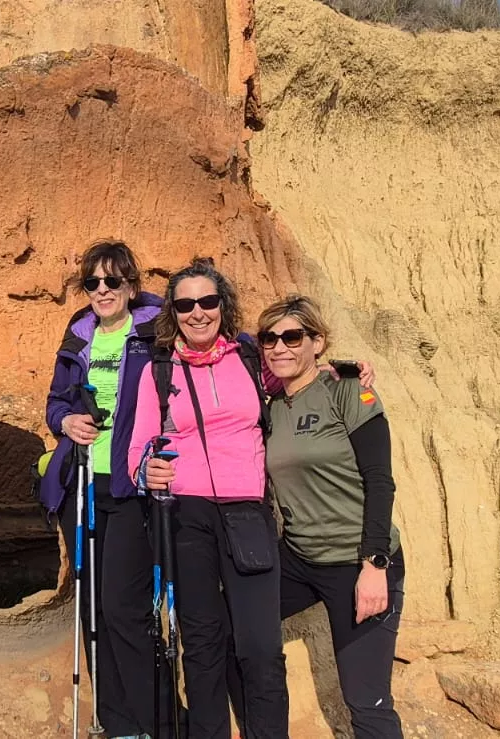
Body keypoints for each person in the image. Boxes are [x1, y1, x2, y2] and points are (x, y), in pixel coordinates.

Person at [130, 258, 288, 739]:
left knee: (261, 646)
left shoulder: (249, 358)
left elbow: (296, 373)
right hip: (187, 514)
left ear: (223, 305)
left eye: (208, 301)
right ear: (173, 313)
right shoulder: (159, 371)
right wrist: (146, 471)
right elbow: (138, 450)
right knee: (201, 644)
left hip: (248, 510)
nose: (198, 313)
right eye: (185, 305)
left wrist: (348, 374)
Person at [259, 295, 405, 739]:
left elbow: (379, 480)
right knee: (232, 624)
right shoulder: (270, 407)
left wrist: (374, 566)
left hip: (355, 560)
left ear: (317, 342)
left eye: (292, 337)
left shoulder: (347, 390)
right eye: (269, 338)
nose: (279, 347)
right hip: (300, 559)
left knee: (366, 701)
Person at [40, 241, 165, 739]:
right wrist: (66, 421)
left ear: (131, 286)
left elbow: (221, 339)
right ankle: (118, 724)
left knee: (122, 607)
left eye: (113, 281)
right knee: (92, 608)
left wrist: (315, 368)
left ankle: (158, 720)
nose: (102, 290)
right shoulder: (78, 336)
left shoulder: (154, 331)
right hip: (83, 484)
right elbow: (55, 403)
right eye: (93, 282)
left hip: (131, 484)